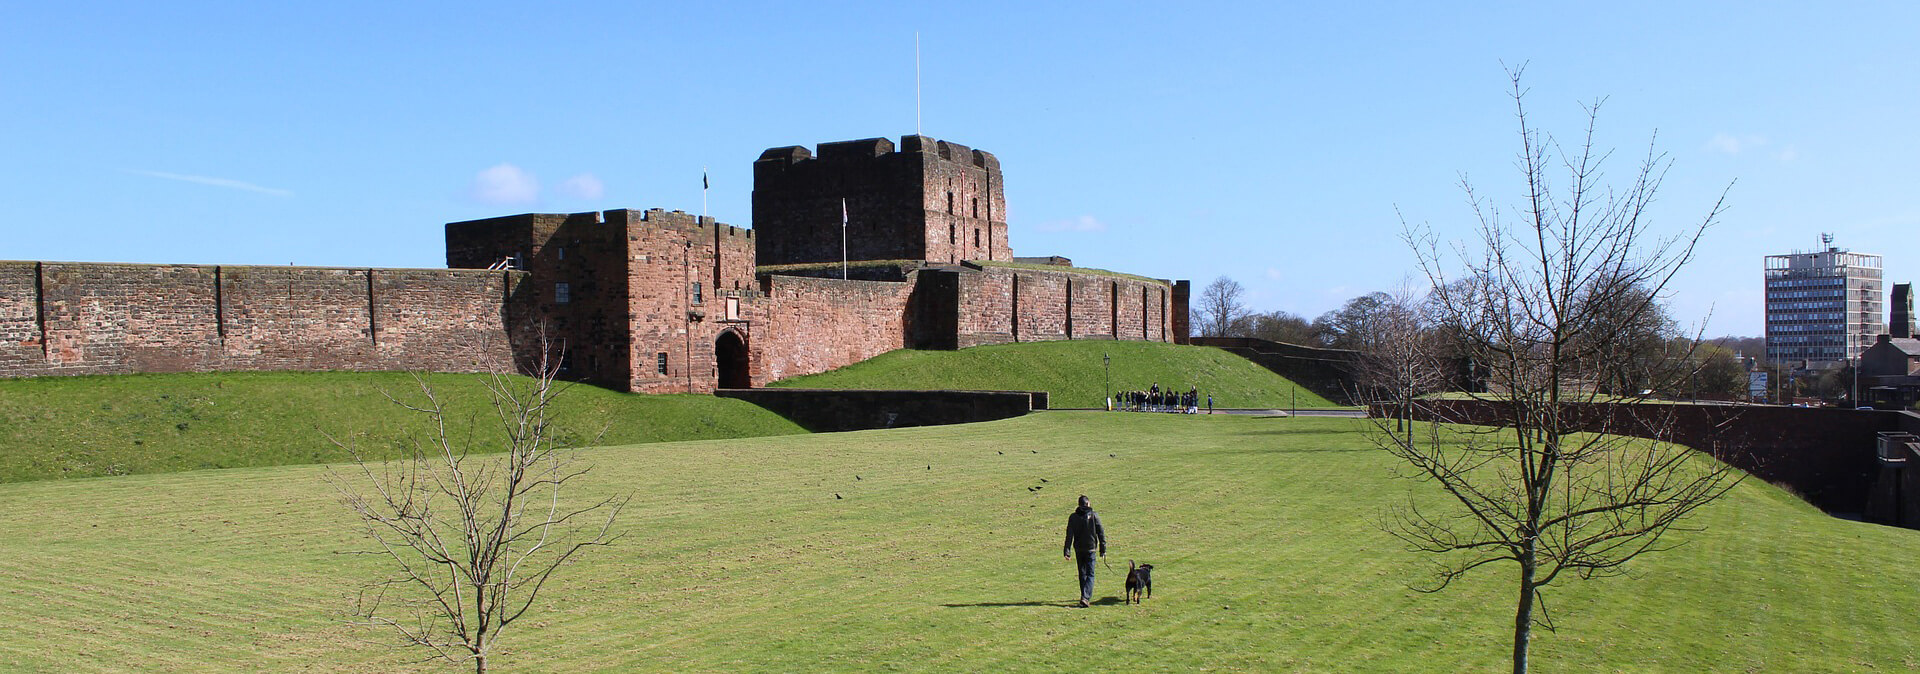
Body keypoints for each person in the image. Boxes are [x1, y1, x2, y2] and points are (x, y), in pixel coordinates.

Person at [1062, 494, 1106, 607]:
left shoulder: (1073, 517)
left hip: (1079, 549)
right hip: (1090, 549)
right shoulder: (1094, 515)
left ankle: (1084, 597)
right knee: (1090, 574)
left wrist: (1067, 551)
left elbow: (1069, 535)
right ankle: (1085, 597)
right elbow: (1100, 532)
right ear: (1088, 503)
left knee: (1082, 574)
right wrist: (1103, 549)